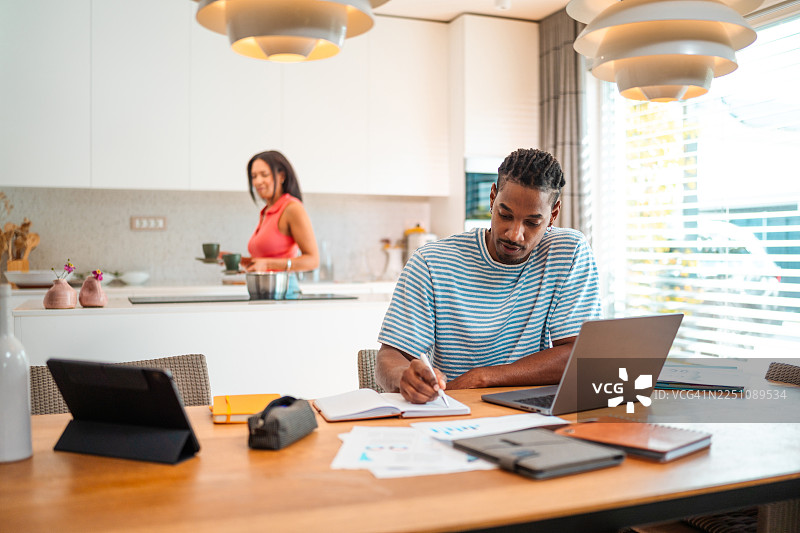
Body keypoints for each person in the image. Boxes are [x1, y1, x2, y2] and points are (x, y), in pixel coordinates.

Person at [376, 148, 602, 404]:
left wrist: (483, 377)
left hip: (531, 411)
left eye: (532, 223)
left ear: (553, 213)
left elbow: (579, 355)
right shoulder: (432, 262)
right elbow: (389, 357)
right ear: (493, 197)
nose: (515, 234)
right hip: (456, 408)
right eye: (505, 215)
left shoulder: (568, 252)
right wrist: (403, 375)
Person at [246, 151, 319, 275]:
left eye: (264, 174)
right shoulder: (266, 211)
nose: (258, 181)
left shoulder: (292, 208)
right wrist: (237, 260)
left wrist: (267, 264)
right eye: (254, 176)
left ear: (282, 176)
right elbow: (264, 260)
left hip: (284, 290)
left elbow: (313, 261)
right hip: (265, 290)